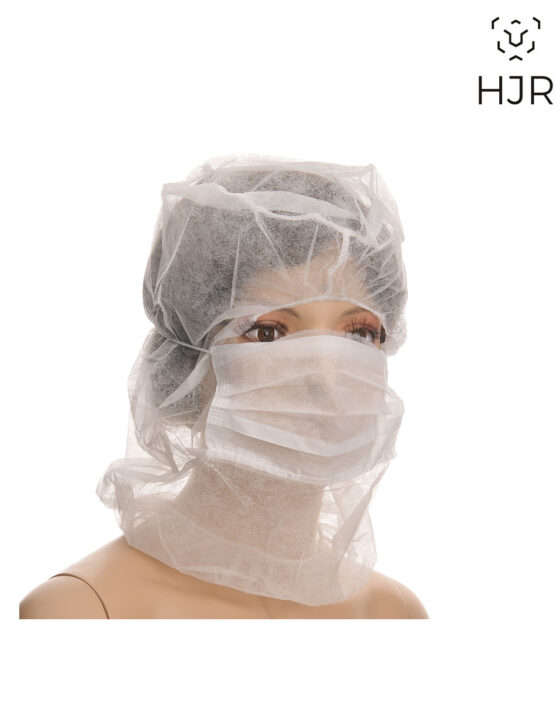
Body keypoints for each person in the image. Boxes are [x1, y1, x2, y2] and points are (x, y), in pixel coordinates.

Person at [19, 154, 429, 619]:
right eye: (268, 333)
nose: (326, 376)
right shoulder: (86, 610)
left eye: (359, 335)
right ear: (186, 364)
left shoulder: (393, 613)